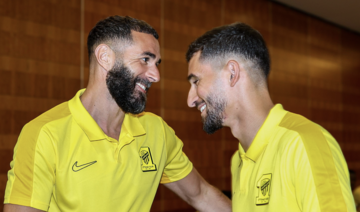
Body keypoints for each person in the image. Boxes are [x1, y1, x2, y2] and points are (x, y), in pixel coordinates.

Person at [3, 16, 231, 212]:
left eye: (156, 63)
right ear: (104, 57)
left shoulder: (156, 132)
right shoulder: (45, 134)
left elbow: (201, 194)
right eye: (145, 60)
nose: (155, 75)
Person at [185, 22, 356, 211]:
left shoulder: (304, 143)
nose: (190, 100)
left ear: (232, 73)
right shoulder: (238, 160)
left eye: (196, 81)